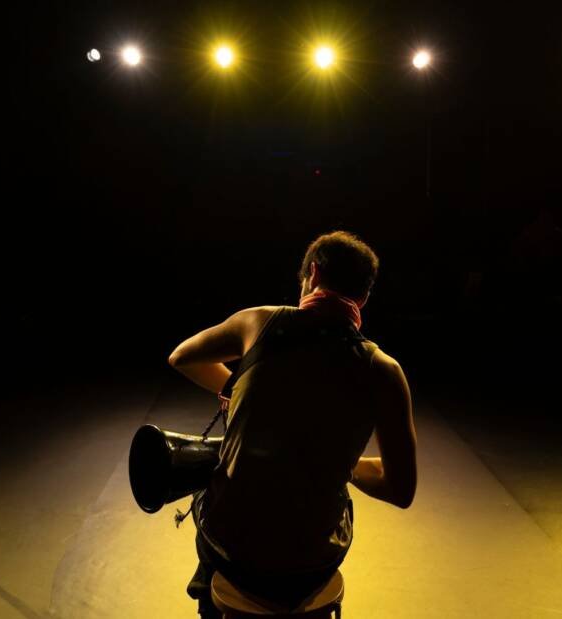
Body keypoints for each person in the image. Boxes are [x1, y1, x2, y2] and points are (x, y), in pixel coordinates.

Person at [167, 230, 418, 618]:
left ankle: (211, 606)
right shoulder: (384, 370)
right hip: (312, 566)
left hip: (234, 555)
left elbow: (181, 357)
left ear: (312, 274)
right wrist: (338, 464)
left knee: (211, 494)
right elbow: (400, 490)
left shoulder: (258, 323)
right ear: (364, 297)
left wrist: (233, 387)